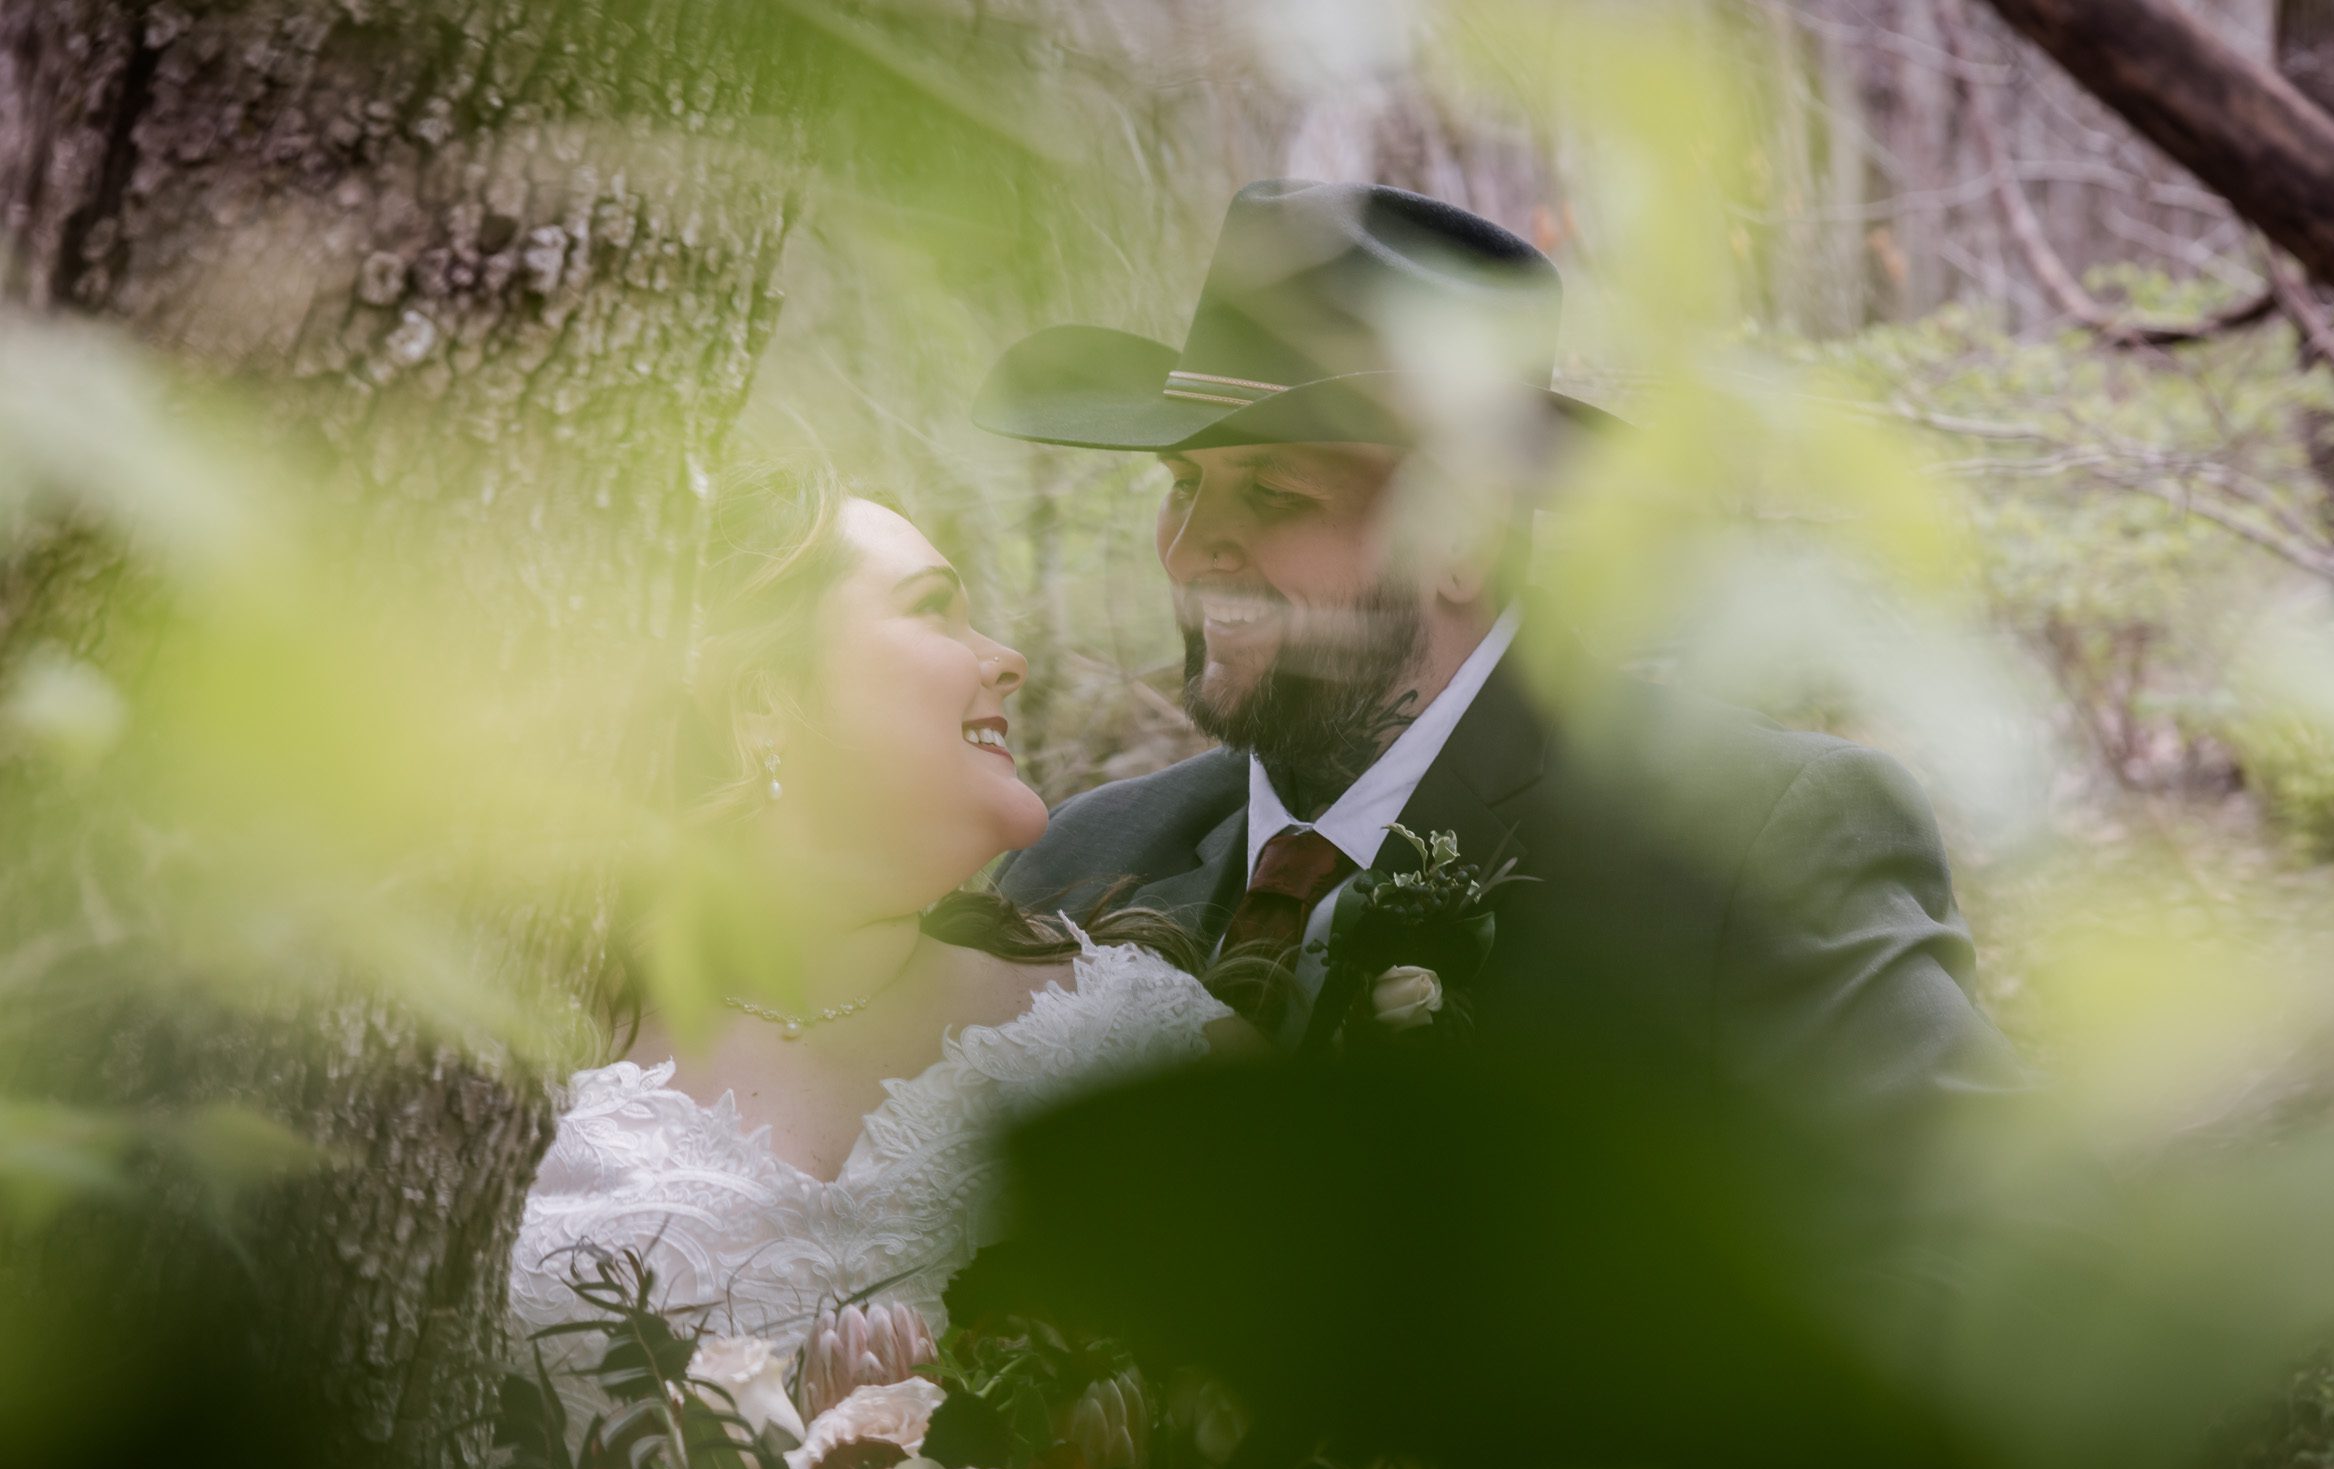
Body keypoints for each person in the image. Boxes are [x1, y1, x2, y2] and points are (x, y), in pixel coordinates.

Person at [975, 178, 2017, 1113]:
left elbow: (1967, 1259)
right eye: (1184, 484)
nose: (1194, 548)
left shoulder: (1753, 847)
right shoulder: (1073, 862)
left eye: (1274, 492)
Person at [506, 460, 1255, 1377]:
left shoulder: (1144, 1046)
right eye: (934, 608)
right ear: (761, 702)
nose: (1006, 658)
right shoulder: (518, 1067)